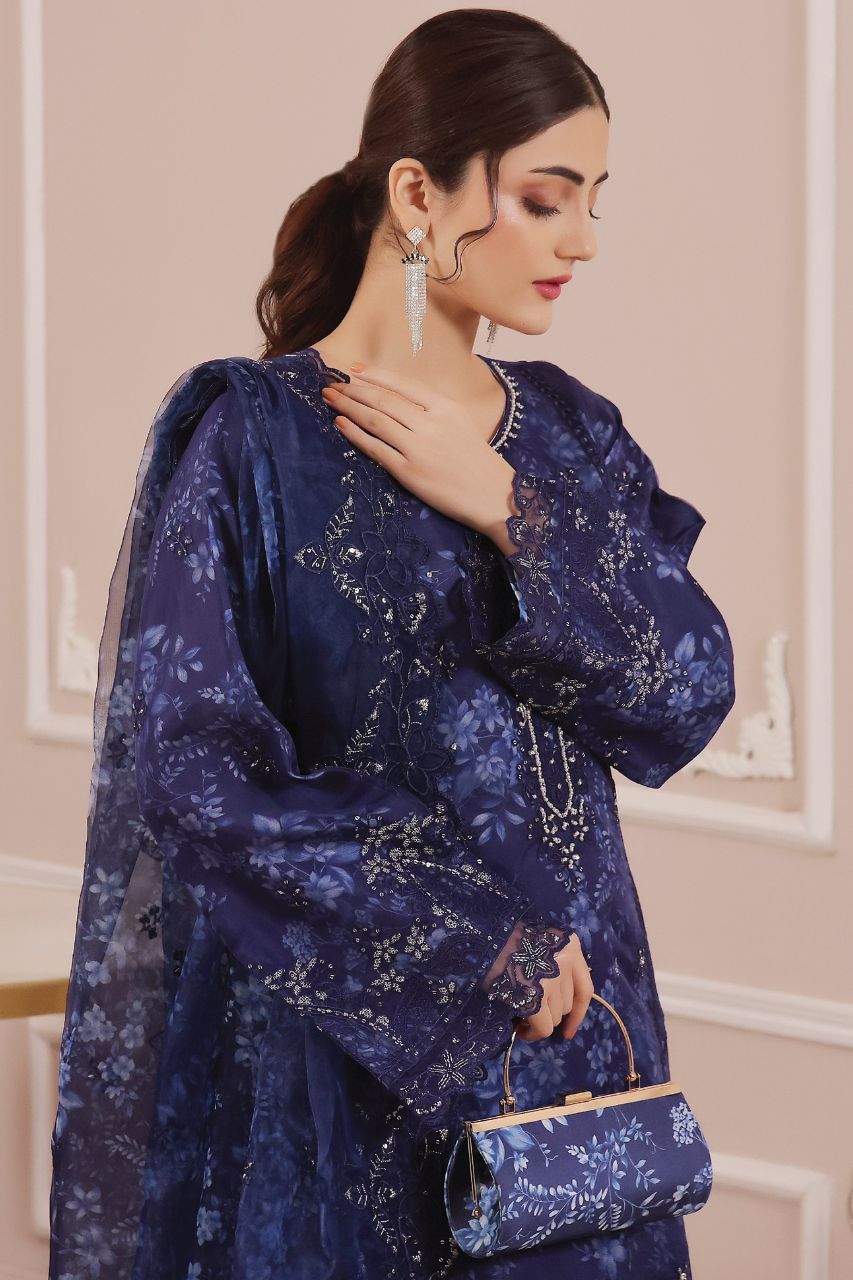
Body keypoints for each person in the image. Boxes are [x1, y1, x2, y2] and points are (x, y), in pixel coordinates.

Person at [48, 9, 735, 1279]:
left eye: (594, 203)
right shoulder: (253, 440)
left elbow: (684, 689)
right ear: (418, 194)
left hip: (572, 1052)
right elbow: (194, 772)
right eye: (546, 198)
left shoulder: (571, 438)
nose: (582, 240)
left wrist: (510, 508)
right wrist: (483, 943)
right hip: (347, 1059)